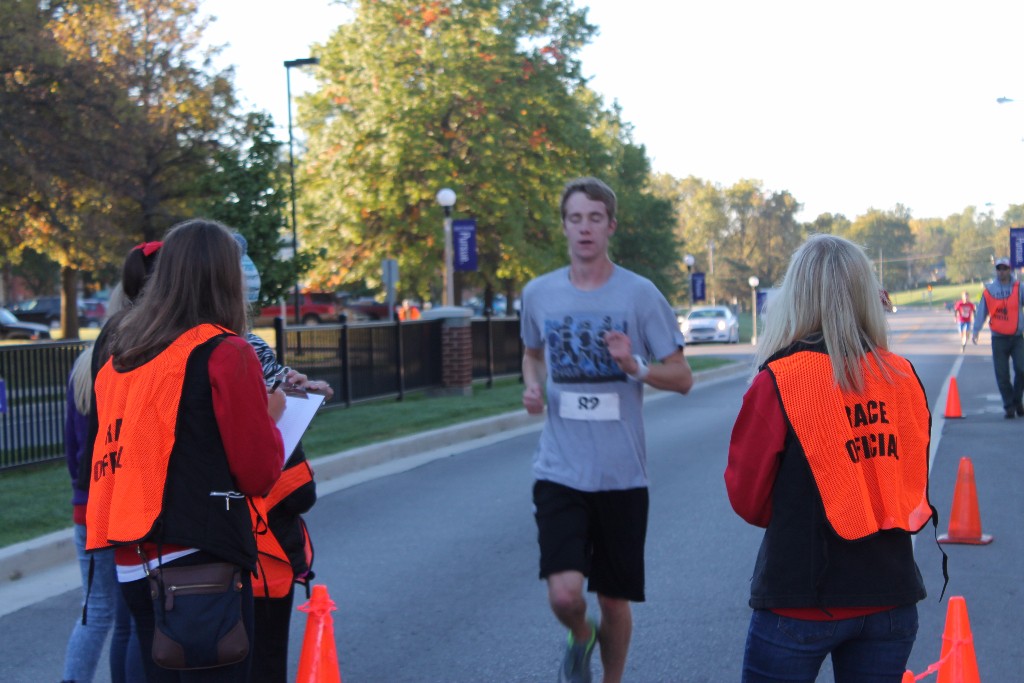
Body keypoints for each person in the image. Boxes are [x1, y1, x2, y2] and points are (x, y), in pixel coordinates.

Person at [725, 234, 936, 682]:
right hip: (891, 594)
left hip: (800, 596)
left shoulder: (780, 379)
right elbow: (910, 480)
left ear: (794, 297)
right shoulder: (901, 376)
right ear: (866, 294)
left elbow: (747, 498)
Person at [85, 218, 286, 682]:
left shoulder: (125, 356)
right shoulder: (226, 351)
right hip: (199, 556)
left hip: (132, 555)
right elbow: (257, 472)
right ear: (224, 278)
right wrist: (272, 418)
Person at [520, 177, 693, 683]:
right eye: (575, 219)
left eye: (595, 218)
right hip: (559, 471)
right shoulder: (539, 294)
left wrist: (634, 365)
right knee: (565, 593)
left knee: (613, 599)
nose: (585, 228)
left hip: (622, 476)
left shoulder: (639, 296)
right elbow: (531, 356)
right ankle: (579, 636)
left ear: (611, 226)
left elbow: (681, 377)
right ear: (564, 227)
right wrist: (532, 387)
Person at [234, 231, 334, 683]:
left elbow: (278, 386)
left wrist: (298, 389)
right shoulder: (229, 350)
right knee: (261, 656)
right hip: (260, 531)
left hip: (239, 532)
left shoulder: (251, 344)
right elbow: (298, 489)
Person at [61, 342, 143, 683]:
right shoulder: (130, 363)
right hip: (121, 504)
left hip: (87, 504)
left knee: (97, 611)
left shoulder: (83, 368)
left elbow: (71, 448)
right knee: (134, 616)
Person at [971, 257, 1024, 418]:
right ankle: (1009, 406)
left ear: (1010, 270)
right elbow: (982, 311)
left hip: (1017, 337)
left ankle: (1016, 401)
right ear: (996, 271)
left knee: (1022, 369)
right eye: (999, 269)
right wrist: (976, 330)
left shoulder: (1019, 287)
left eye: (1005, 268)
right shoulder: (989, 290)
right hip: (998, 338)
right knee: (1002, 375)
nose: (1002, 271)